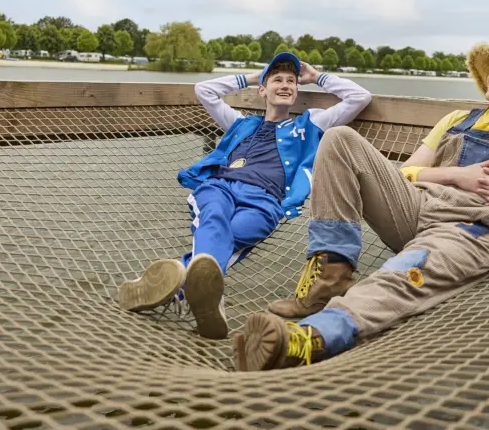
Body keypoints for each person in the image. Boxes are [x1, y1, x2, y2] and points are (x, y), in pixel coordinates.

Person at [232, 42, 489, 370]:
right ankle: (327, 278)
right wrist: (453, 175)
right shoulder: (455, 120)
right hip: (415, 208)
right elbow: (407, 173)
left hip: (468, 232)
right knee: (339, 140)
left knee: (394, 277)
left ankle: (309, 340)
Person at [117, 52, 372, 339]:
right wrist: (253, 77)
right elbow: (205, 90)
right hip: (220, 187)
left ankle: (179, 287)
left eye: (291, 81)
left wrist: (317, 77)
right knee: (214, 219)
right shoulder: (241, 124)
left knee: (228, 235)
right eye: (277, 80)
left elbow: (359, 97)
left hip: (267, 201)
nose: (286, 85)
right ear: (263, 90)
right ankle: (205, 296)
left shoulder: (309, 126)